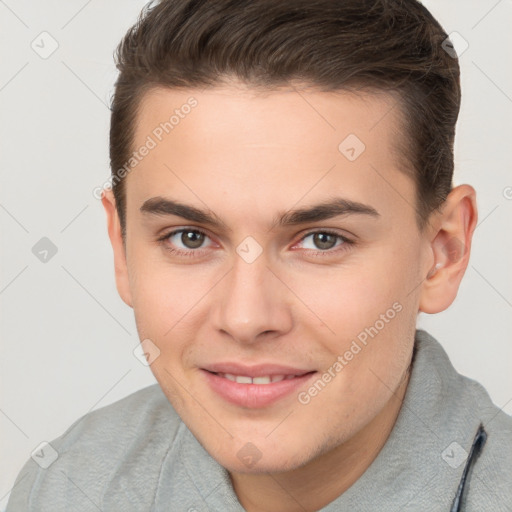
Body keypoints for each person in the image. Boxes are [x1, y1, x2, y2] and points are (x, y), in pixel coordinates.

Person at [7, 0, 512, 510]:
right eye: (190, 238)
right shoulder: (64, 487)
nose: (246, 318)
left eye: (322, 240)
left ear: (444, 251)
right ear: (121, 247)